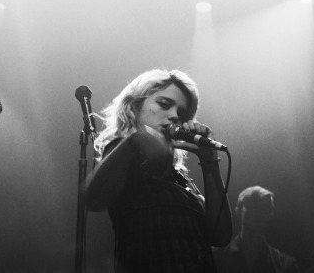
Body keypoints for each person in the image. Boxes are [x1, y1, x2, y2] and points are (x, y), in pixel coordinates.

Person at [84, 68, 233, 273]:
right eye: (164, 104)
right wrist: (135, 142)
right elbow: (93, 198)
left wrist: (209, 162)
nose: (174, 116)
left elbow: (221, 236)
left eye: (182, 113)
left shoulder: (182, 178)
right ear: (135, 105)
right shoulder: (124, 151)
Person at [213, 186, 300, 273]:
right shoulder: (216, 259)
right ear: (238, 211)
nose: (258, 213)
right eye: (253, 206)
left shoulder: (287, 265)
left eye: (264, 208)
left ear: (270, 215)